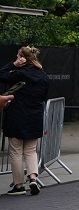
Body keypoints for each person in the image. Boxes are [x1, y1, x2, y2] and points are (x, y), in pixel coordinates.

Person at [0, 47, 50, 195]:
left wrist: (13, 65)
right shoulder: (43, 76)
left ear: (22, 58)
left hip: (16, 115)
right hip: (34, 115)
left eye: (17, 57)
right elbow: (44, 97)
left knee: (16, 151)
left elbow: (0, 74)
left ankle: (18, 185)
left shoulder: (19, 74)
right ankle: (33, 178)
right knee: (31, 150)